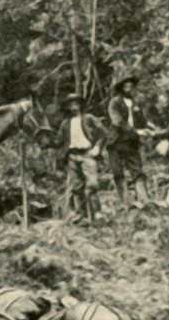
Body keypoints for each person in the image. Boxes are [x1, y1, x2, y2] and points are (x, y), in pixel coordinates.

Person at [55, 93, 107, 223]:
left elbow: (103, 133)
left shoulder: (89, 118)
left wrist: (97, 148)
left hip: (87, 154)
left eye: (76, 103)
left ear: (80, 104)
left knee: (92, 184)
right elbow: (58, 141)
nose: (74, 106)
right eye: (71, 104)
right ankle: (80, 214)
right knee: (76, 186)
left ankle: (97, 213)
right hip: (72, 155)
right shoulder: (65, 123)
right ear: (67, 107)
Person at [106, 75, 153, 212]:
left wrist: (150, 129)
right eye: (126, 85)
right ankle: (125, 203)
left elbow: (142, 120)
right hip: (116, 142)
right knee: (118, 172)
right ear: (121, 87)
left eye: (131, 85)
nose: (128, 88)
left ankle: (144, 201)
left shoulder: (135, 102)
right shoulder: (114, 102)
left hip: (131, 142)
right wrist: (137, 132)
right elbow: (118, 122)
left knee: (137, 170)